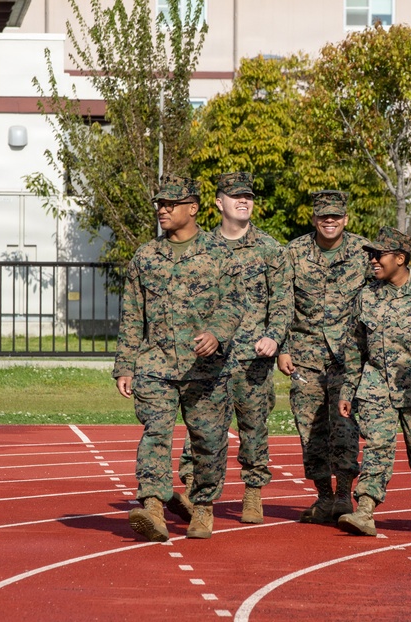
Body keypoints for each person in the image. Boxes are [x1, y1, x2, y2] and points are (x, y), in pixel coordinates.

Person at [113, 175, 244, 542]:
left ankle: (202, 506)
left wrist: (216, 333)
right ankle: (153, 505)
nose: (163, 209)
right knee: (155, 433)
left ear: (193, 208)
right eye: (160, 203)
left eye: (171, 203)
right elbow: (132, 315)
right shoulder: (145, 256)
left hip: (206, 369)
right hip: (155, 366)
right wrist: (125, 365)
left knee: (208, 440)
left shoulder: (220, 255)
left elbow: (235, 304)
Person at [171, 171, 291, 525]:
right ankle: (195, 492)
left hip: (253, 358)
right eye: (236, 196)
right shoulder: (201, 245)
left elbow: (282, 302)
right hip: (210, 358)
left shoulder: (270, 248)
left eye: (249, 197)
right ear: (218, 203)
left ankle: (252, 493)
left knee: (254, 429)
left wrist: (274, 335)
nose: (244, 201)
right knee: (203, 428)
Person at [337, 227, 411, 537]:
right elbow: (355, 348)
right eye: (371, 255)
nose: (373, 260)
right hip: (375, 386)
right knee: (377, 445)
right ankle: (365, 510)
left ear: (400, 258)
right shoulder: (366, 295)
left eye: (379, 255)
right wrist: (348, 389)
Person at [277, 189, 370, 523]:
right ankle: (324, 496)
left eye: (336, 217)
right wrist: (282, 348)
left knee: (344, 425)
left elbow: (380, 294)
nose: (329, 222)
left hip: (349, 357)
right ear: (313, 218)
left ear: (345, 219)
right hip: (306, 355)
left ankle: (344, 495)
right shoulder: (294, 253)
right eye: (323, 216)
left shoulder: (364, 251)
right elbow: (283, 303)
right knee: (309, 427)